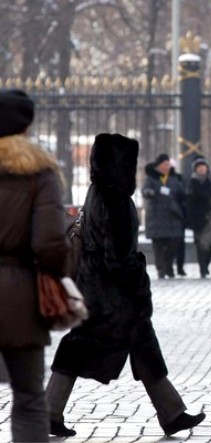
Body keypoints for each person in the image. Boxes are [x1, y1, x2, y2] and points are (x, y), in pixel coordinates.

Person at [46, 134, 205, 437]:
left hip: (94, 288)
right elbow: (119, 258)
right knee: (81, 347)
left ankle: (172, 413)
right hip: (112, 296)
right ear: (123, 166)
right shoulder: (116, 199)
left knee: (139, 346)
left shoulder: (97, 191)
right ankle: (49, 412)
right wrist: (139, 284)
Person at [0, 89, 69, 442]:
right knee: (28, 396)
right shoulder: (38, 173)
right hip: (19, 296)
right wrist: (56, 276)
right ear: (27, 125)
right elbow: (50, 243)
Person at [142, 153, 187, 279]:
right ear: (158, 166)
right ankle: (161, 269)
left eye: (168, 164)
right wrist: (150, 192)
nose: (167, 167)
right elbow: (145, 191)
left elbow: (181, 193)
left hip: (172, 216)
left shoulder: (173, 179)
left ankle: (168, 264)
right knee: (159, 246)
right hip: (157, 217)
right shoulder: (151, 179)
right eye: (164, 164)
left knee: (175, 241)